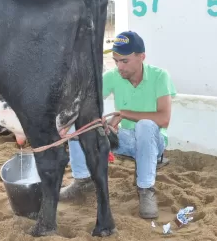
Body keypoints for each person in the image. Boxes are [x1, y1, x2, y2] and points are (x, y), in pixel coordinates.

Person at [59, 31, 176, 219]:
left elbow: (164, 119)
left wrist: (124, 114)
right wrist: (67, 123)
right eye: (116, 61)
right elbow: (86, 102)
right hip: (124, 139)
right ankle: (82, 181)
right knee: (79, 125)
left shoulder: (160, 76)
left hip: (153, 142)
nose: (119, 66)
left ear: (141, 57)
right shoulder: (113, 76)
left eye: (125, 61)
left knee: (145, 126)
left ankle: (146, 189)